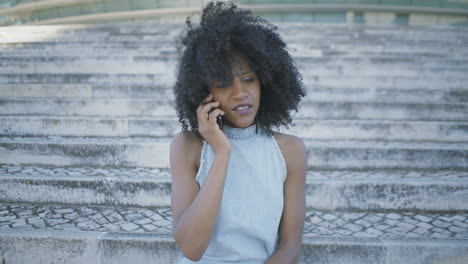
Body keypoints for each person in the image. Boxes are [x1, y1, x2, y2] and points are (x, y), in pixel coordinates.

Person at [170, 1, 307, 263]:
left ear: (264, 81)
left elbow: (290, 246)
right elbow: (191, 248)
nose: (240, 93)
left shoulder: (290, 151)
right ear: (204, 93)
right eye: (223, 84)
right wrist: (221, 152)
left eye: (248, 79)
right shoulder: (188, 146)